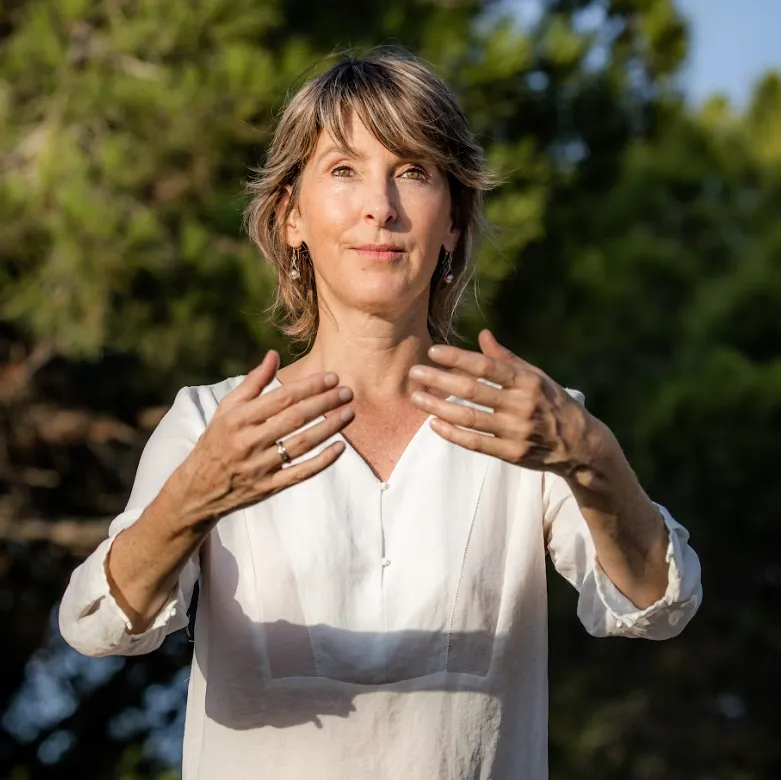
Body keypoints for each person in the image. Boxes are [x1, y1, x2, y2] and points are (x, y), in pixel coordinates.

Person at [59, 50, 702, 779]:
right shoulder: (213, 423)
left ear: (454, 221)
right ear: (291, 216)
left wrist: (593, 457)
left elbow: (657, 604)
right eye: (343, 170)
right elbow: (99, 626)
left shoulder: (534, 426)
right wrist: (193, 497)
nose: (380, 207)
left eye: (413, 171)